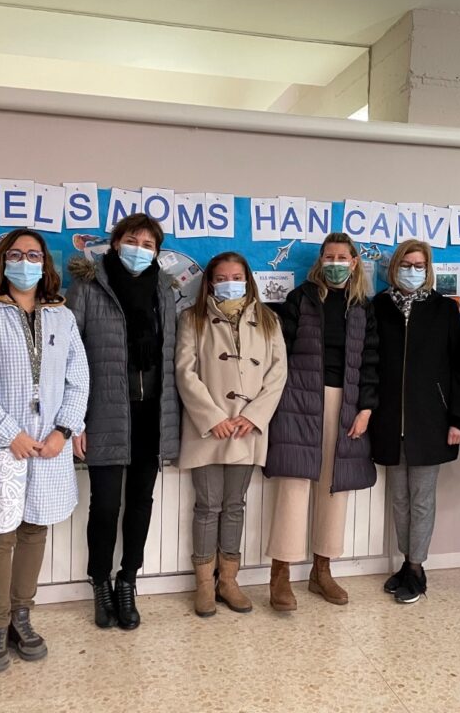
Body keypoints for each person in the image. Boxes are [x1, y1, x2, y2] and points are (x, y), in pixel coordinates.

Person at [0, 229, 89, 674]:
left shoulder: (62, 317)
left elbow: (78, 378)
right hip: (0, 445)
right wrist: (8, 433)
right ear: (2, 262)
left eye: (33, 255)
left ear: (45, 265)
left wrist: (64, 431)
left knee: (34, 529)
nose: (25, 262)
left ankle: (21, 616)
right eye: (15, 254)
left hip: (49, 444)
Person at [66, 214, 179, 630]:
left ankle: (128, 579)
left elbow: (170, 354)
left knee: (141, 502)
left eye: (148, 244)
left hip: (152, 412)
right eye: (132, 240)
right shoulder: (88, 286)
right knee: (105, 504)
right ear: (115, 243)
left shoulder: (163, 289)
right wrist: (75, 421)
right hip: (105, 411)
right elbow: (70, 357)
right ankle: (100, 582)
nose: (139, 249)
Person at [263, 232, 378, 611]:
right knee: (294, 487)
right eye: (329, 257)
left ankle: (322, 571)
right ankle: (280, 575)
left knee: (334, 487)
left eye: (342, 257)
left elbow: (371, 362)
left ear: (354, 262)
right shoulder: (301, 299)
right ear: (320, 261)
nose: (335, 263)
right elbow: (280, 352)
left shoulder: (362, 307)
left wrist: (366, 408)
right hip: (299, 400)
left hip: (346, 403)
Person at [175, 252, 287, 618]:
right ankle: (204, 584)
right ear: (209, 282)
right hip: (207, 430)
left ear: (247, 279)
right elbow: (185, 371)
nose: (229, 283)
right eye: (221, 278)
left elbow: (278, 373)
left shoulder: (268, 320)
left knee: (235, 504)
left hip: (246, 429)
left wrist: (253, 416)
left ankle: (228, 580)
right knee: (208, 505)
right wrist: (212, 417)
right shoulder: (192, 319)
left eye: (236, 277)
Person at [371, 239, 460, 604]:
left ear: (428, 270)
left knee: (422, 500)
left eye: (419, 265)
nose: (412, 271)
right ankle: (406, 562)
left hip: (431, 423)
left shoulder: (444, 309)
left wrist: (458, 419)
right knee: (399, 500)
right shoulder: (379, 306)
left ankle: (416, 568)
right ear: (394, 267)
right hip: (388, 423)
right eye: (406, 264)